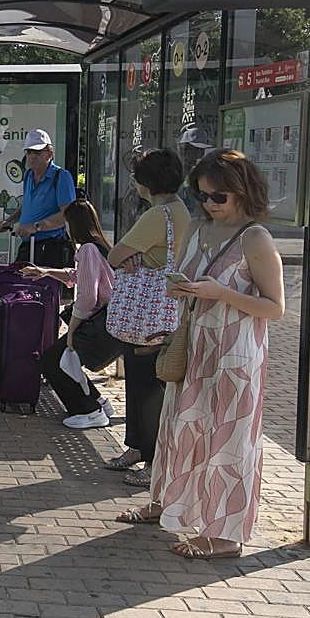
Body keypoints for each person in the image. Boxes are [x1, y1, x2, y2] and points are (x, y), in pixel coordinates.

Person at [118, 149, 283, 560]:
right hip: (193, 345)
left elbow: (275, 307)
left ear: (242, 192)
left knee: (228, 440)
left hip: (235, 354)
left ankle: (225, 534)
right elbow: (187, 276)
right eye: (203, 196)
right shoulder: (199, 228)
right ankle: (166, 504)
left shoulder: (255, 238)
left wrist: (222, 294)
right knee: (178, 427)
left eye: (218, 197)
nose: (209, 204)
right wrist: (181, 289)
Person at [103, 148, 192, 487]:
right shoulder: (182, 211)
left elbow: (115, 255)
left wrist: (130, 258)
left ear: (145, 182)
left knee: (148, 389)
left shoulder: (157, 216)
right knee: (144, 385)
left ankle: (152, 460)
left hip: (146, 318)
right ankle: (136, 448)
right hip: (164, 313)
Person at [26, 193, 120, 428]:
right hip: (110, 320)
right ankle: (99, 402)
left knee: (52, 360)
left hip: (100, 323)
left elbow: (88, 296)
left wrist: (72, 330)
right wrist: (46, 271)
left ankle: (88, 411)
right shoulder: (98, 247)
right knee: (66, 359)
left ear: (74, 225)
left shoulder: (87, 249)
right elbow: (77, 276)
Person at [0, 129, 76, 267]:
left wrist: (36, 226)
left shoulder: (61, 176)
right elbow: (27, 204)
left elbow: (68, 215)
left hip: (51, 248)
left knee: (42, 287)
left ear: (49, 154)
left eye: (37, 152)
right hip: (28, 245)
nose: (32, 156)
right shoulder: (28, 175)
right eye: (29, 152)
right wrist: (9, 221)